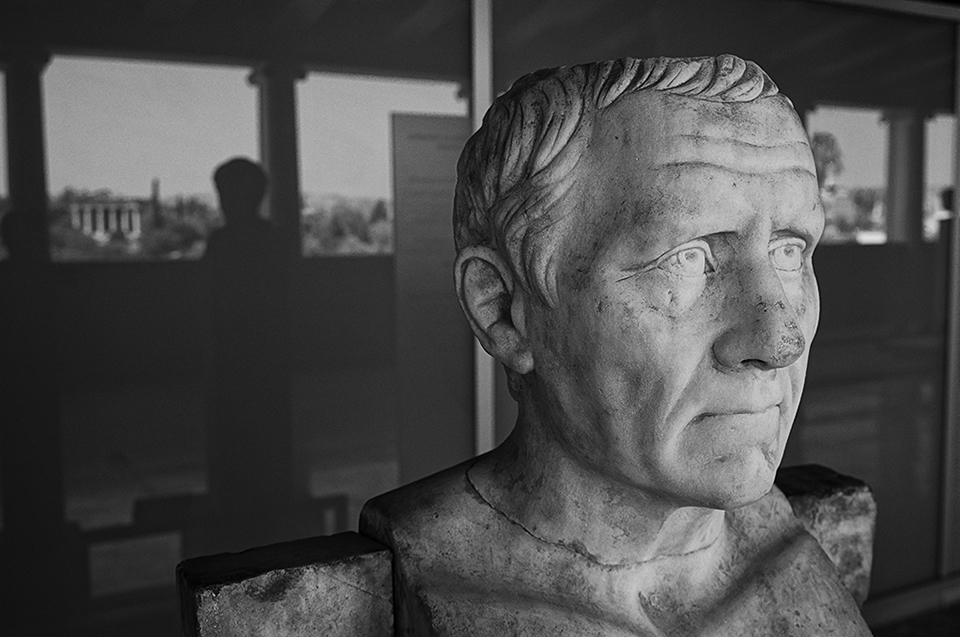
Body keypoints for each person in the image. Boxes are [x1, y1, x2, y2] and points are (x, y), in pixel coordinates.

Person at [361, 55, 871, 635]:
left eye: (789, 251)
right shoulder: (434, 578)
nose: (780, 341)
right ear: (503, 310)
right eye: (687, 258)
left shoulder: (789, 553)